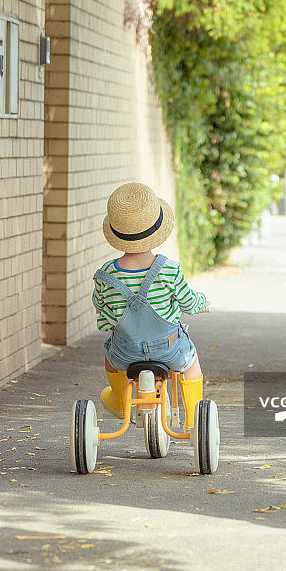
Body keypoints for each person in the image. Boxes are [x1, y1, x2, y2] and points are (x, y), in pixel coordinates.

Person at [92, 182, 209, 430]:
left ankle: (121, 401)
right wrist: (202, 303)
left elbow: (102, 313)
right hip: (169, 350)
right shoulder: (168, 269)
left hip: (126, 353)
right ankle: (193, 419)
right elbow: (188, 301)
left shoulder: (105, 275)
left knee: (109, 358)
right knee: (191, 362)